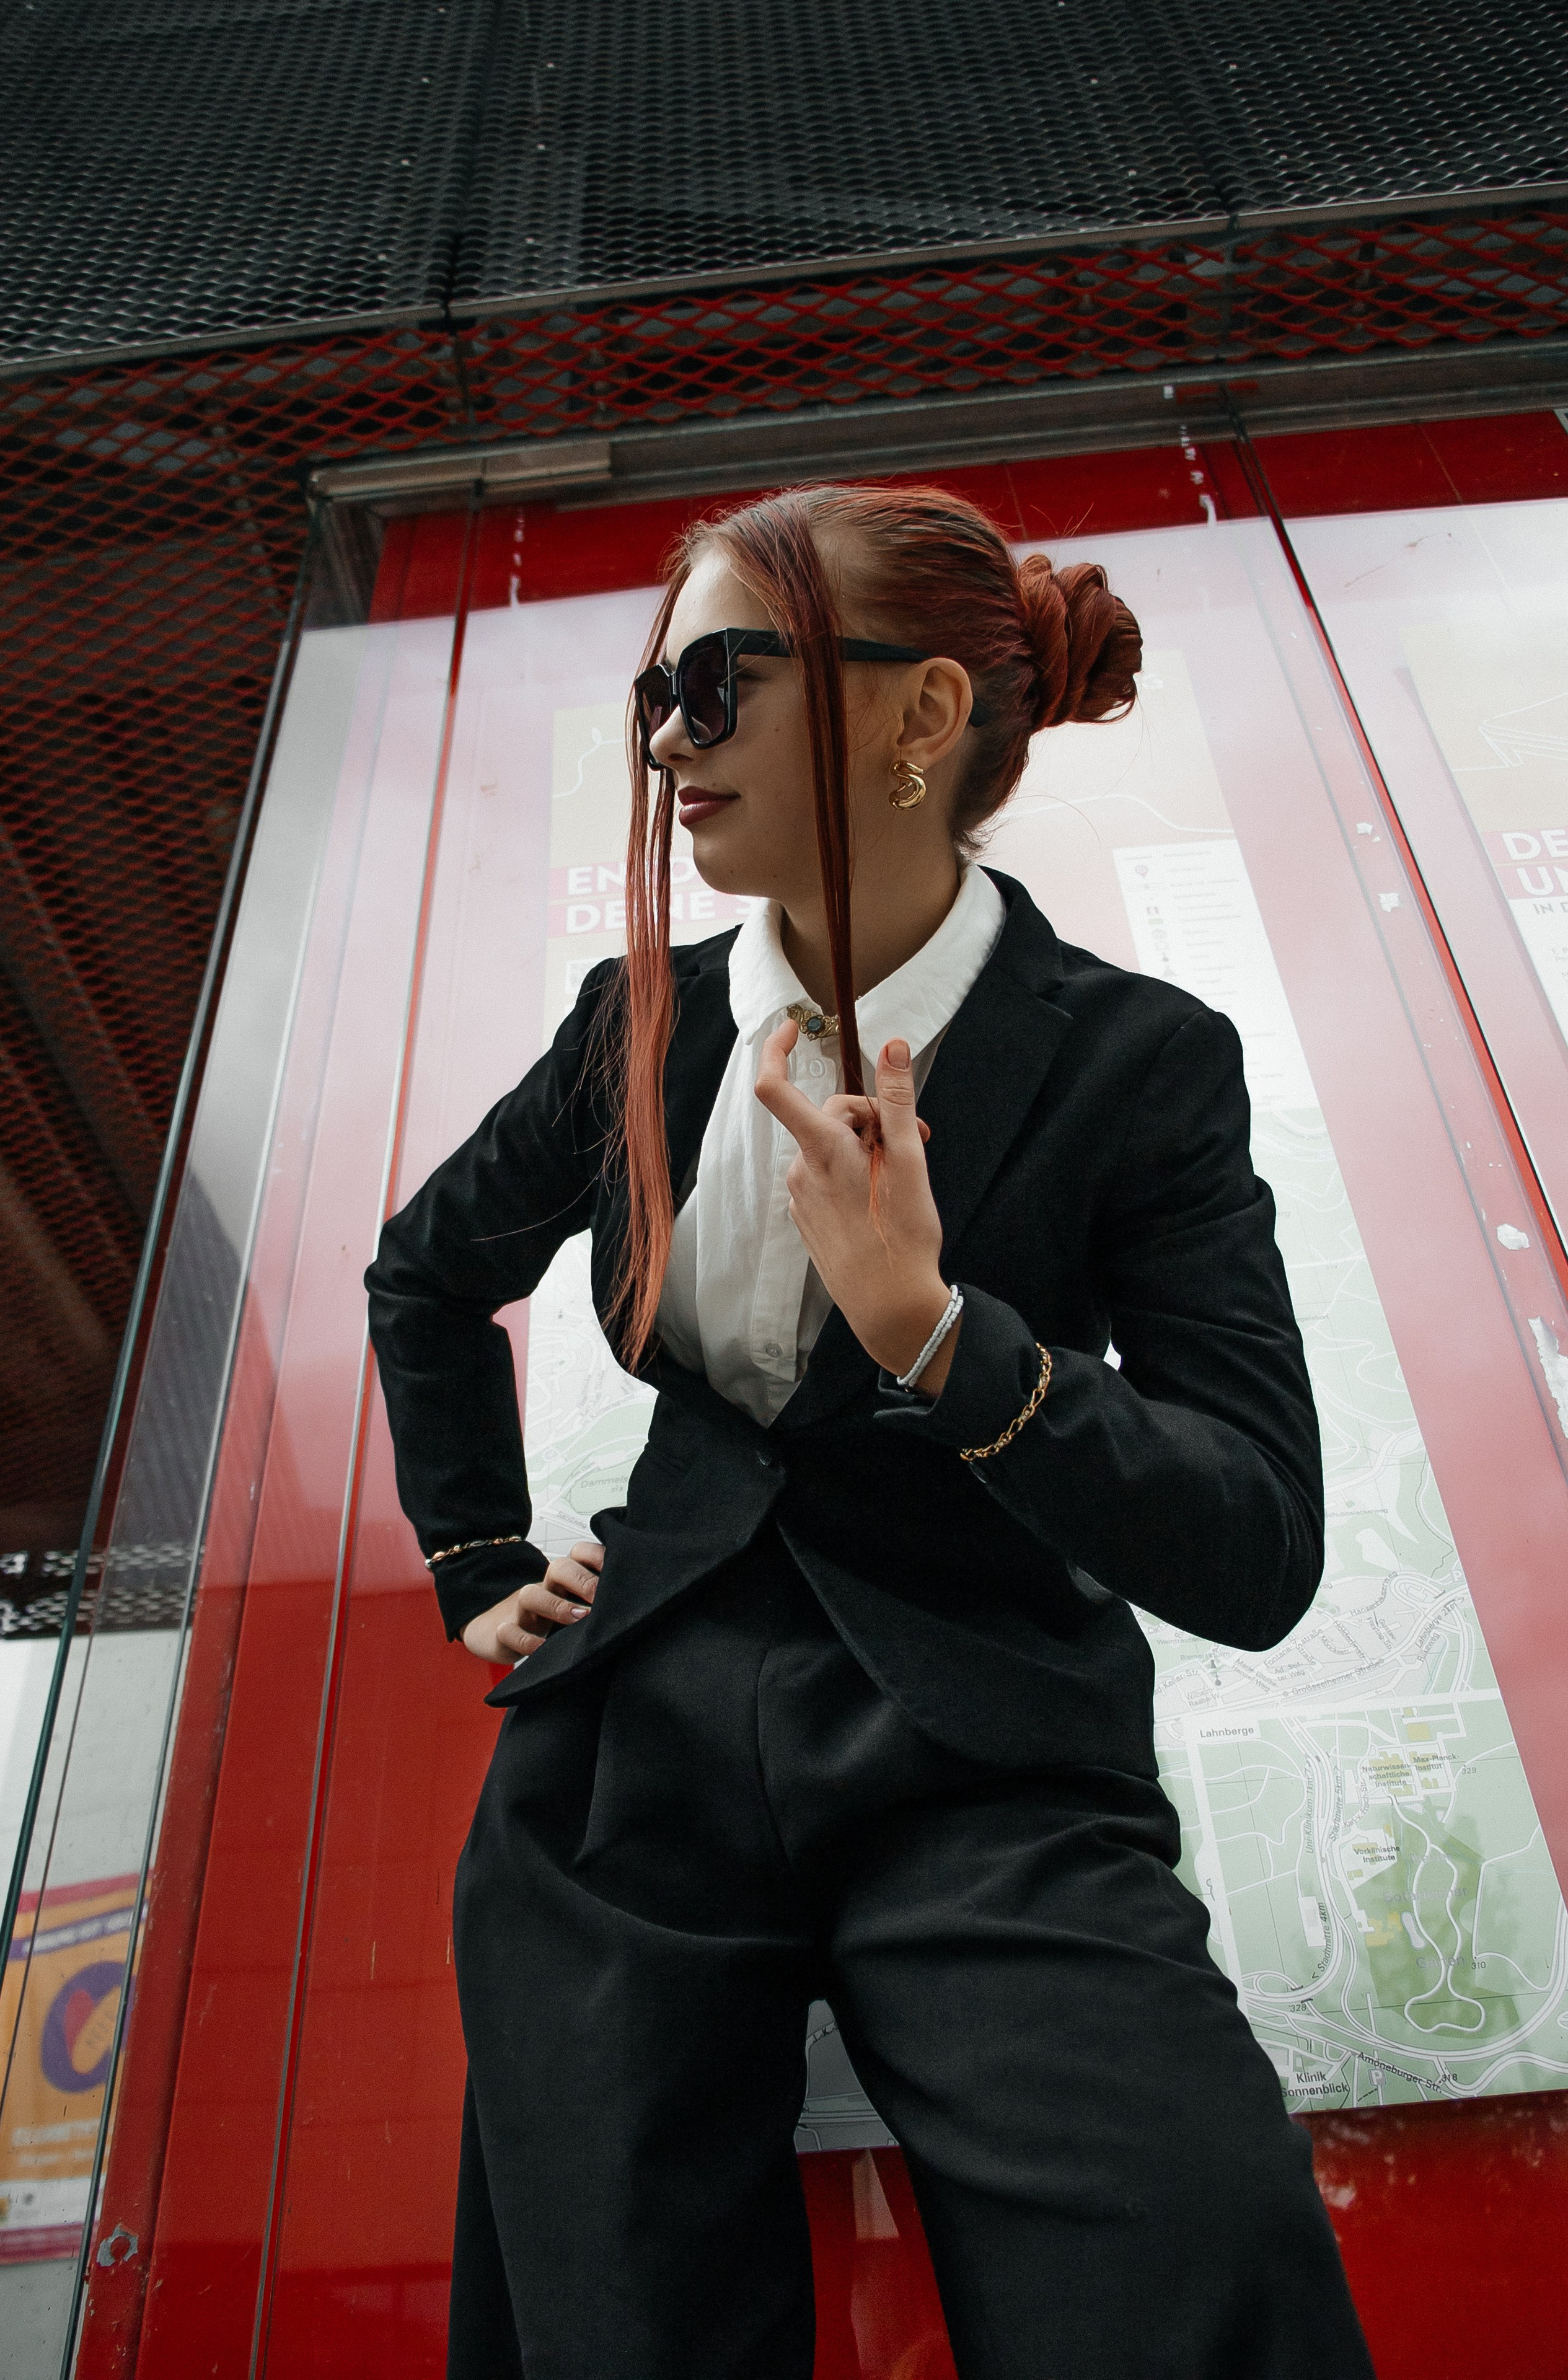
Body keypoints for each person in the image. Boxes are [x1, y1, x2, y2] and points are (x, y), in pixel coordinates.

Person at [365, 483, 1375, 2380]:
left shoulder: (1135, 1062)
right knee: (609, 2319)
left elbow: (1257, 1543)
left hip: (982, 1747)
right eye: (655, 695)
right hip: (634, 1749)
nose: (671, 744)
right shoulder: (639, 1025)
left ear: (920, 723)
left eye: (720, 684)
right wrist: (480, 1561)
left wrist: (938, 1337)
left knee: (1191, 2248)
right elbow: (424, 1278)